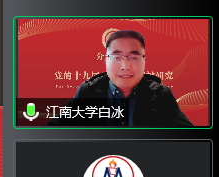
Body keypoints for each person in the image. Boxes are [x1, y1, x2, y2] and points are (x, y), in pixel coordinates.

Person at [47, 30, 194, 127]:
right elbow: (55, 129)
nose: (125, 66)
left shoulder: (160, 95)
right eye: (117, 57)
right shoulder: (88, 92)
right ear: (105, 60)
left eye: (134, 57)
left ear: (144, 61)